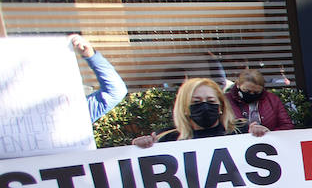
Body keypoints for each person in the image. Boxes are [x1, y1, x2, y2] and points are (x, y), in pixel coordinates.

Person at [132, 78, 265, 146]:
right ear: (185, 108)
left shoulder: (242, 131)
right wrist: (140, 147)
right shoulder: (167, 139)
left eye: (210, 100)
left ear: (221, 106)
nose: (205, 106)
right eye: (196, 102)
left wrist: (263, 135)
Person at [69, 34, 127, 122]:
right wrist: (91, 56)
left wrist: (91, 56)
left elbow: (116, 92)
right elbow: (116, 92)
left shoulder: (75, 115)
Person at [226, 69, 293, 133]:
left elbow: (287, 125)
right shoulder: (227, 100)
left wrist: (269, 133)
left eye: (256, 92)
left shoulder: (272, 100)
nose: (251, 94)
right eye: (246, 91)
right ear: (238, 84)